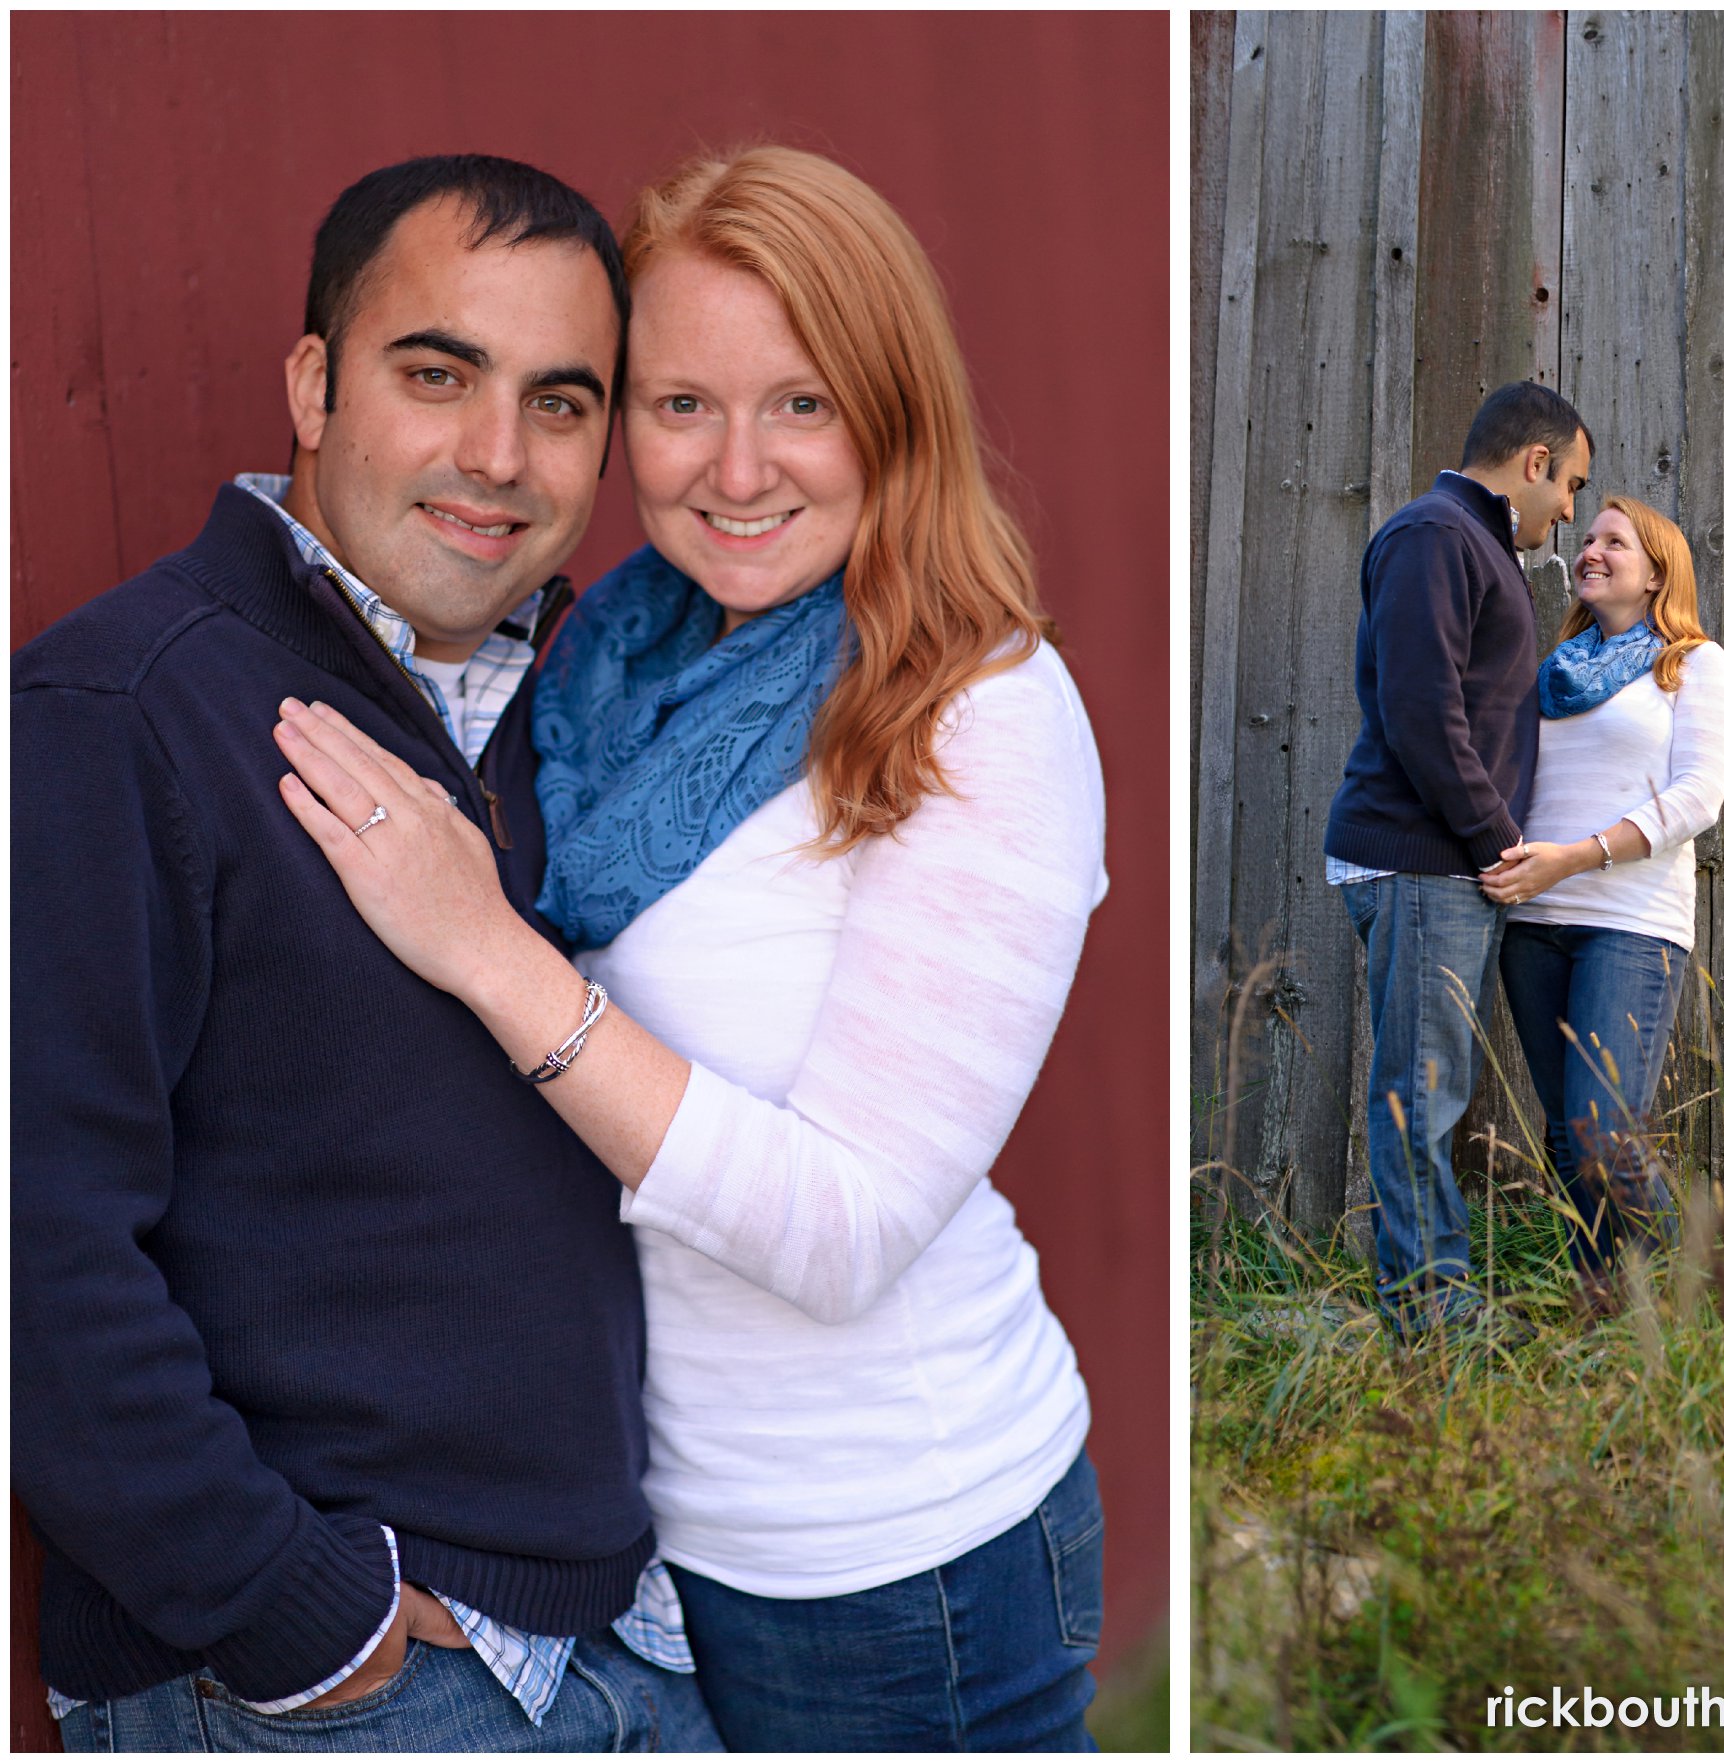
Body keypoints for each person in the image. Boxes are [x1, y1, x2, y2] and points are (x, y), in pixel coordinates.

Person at [271, 145, 1108, 1752]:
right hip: (649, 1553)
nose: (736, 470)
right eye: (678, 405)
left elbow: (845, 1224)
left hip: (889, 1557)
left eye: (802, 404)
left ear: (895, 412)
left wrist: (491, 950)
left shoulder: (979, 712)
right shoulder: (602, 663)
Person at [13, 156, 721, 1750]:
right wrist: (303, 1620)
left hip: (628, 1636)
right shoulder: (121, 713)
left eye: (562, 402)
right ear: (315, 383)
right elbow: (32, 1244)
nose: (496, 456)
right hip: (348, 1676)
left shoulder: (586, 712)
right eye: (436, 373)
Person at [1321, 381, 1592, 1341]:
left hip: (1444, 863)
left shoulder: (1473, 546)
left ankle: (1428, 1295)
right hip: (1426, 860)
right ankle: (1432, 1314)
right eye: (1571, 485)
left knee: (1431, 1086)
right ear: (1534, 462)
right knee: (1422, 1092)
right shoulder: (1436, 536)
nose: (1572, 511)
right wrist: (1496, 843)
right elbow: (1423, 713)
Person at [1481, 494, 1724, 1294]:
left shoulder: (1693, 665)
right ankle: (1613, 1322)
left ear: (1658, 569)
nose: (1590, 549)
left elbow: (1698, 797)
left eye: (1614, 541)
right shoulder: (1552, 673)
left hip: (1627, 925)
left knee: (1605, 1134)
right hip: (1533, 924)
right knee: (1569, 1142)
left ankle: (1707, 1303)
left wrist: (1574, 858)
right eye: (1587, 537)